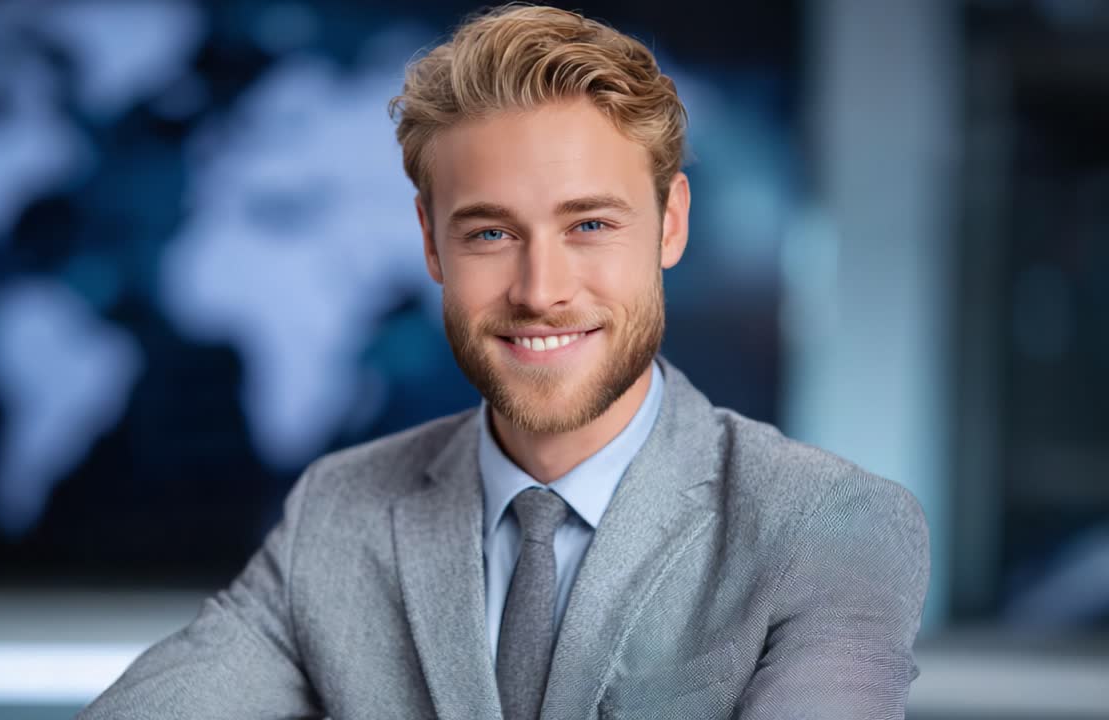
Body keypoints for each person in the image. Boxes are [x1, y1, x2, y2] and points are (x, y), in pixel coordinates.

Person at [79, 5, 930, 719]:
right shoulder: (338, 514)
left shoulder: (829, 527)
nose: (540, 289)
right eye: (490, 232)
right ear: (430, 243)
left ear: (671, 225)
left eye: (590, 225)